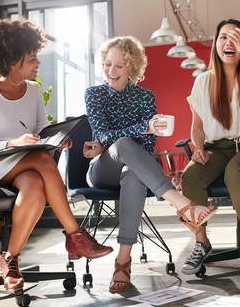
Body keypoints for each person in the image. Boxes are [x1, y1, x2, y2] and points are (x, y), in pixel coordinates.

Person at [0, 18, 113, 292]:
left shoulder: (33, 90)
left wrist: (58, 139)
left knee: (34, 186)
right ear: (12, 60)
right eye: (32, 58)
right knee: (43, 161)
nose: (38, 63)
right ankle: (75, 235)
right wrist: (13, 142)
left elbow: (41, 129)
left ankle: (10, 260)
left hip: (24, 168)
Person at [83, 35, 218, 293]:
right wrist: (142, 128)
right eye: (108, 64)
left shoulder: (146, 97)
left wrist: (138, 134)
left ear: (131, 68)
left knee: (133, 175)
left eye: (119, 66)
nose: (111, 71)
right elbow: (102, 135)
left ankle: (122, 262)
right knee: (122, 143)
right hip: (101, 169)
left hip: (130, 170)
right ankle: (181, 204)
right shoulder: (94, 94)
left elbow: (147, 149)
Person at [179, 19, 240, 282]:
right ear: (215, 45)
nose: (228, 42)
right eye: (223, 37)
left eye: (235, 37)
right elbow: (197, 126)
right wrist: (198, 148)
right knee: (189, 176)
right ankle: (201, 242)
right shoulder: (202, 81)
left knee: (237, 170)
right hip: (217, 148)